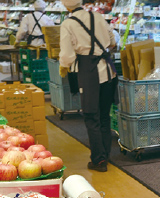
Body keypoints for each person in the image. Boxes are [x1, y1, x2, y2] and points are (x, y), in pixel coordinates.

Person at [58, 0, 118, 172]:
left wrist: (64, 65)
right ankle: (106, 154)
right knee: (105, 114)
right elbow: (112, 40)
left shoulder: (68, 24)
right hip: (108, 71)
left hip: (88, 72)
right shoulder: (97, 16)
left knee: (92, 116)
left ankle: (98, 160)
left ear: (65, 5)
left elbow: (67, 56)